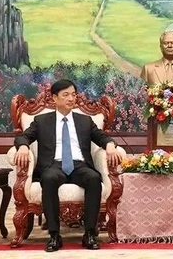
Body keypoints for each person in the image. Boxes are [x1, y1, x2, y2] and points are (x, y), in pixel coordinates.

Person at [13, 79, 123, 252]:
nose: (71, 98)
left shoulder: (84, 120)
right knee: (48, 179)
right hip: (53, 165)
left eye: (73, 94)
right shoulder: (41, 121)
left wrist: (110, 145)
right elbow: (22, 137)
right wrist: (24, 147)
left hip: (80, 165)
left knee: (94, 179)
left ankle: (89, 233)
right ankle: (54, 235)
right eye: (66, 95)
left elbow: (101, 137)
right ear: (55, 98)